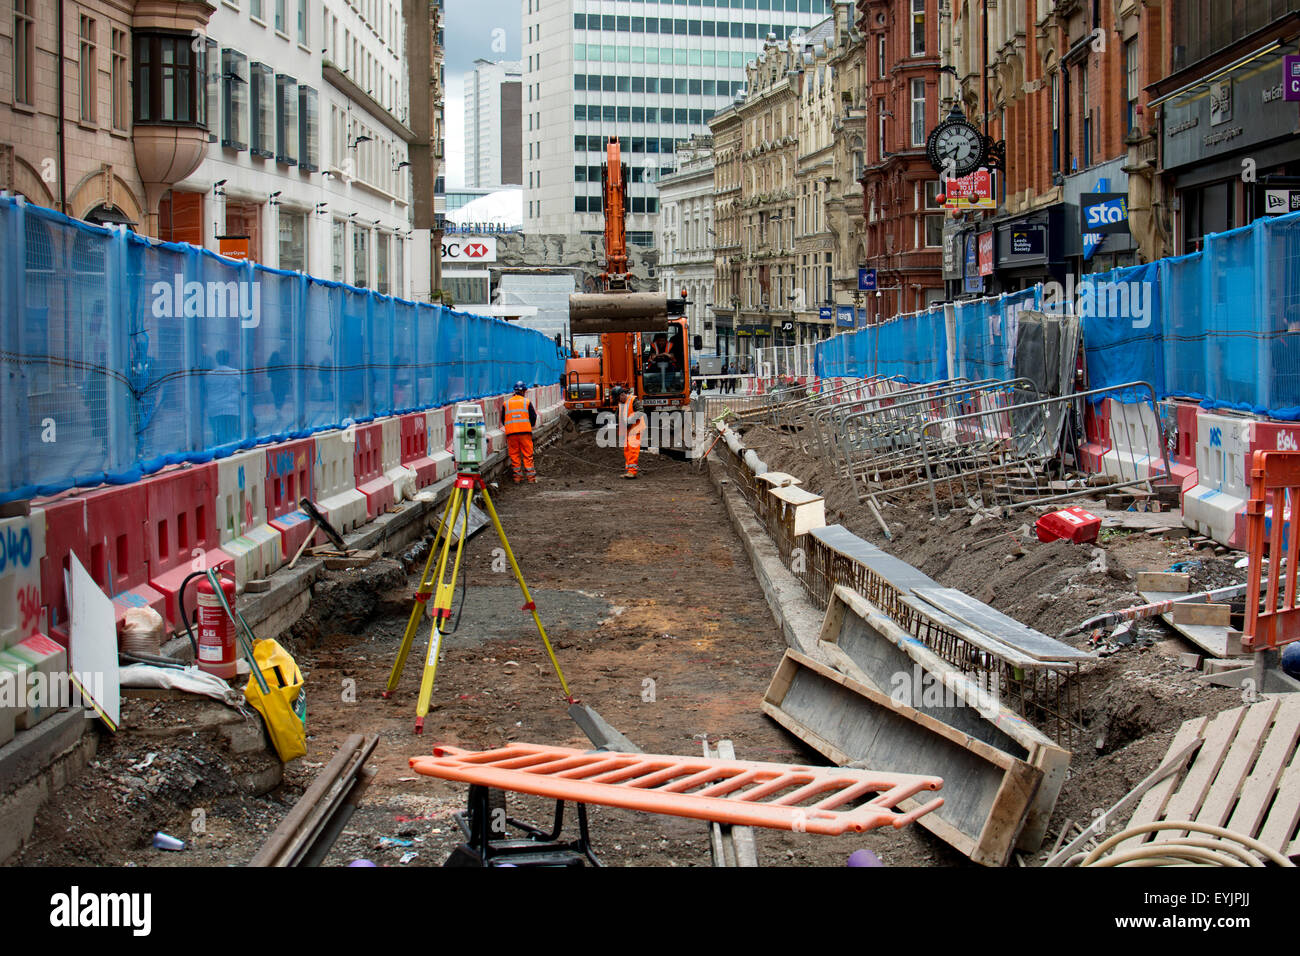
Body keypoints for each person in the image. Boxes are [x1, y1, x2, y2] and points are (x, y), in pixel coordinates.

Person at [501, 381, 538, 482]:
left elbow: (503, 420)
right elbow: (533, 416)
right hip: (525, 433)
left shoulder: (506, 403)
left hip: (511, 433)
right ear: (524, 391)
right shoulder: (526, 402)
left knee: (514, 455)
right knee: (527, 455)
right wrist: (531, 425)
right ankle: (531, 478)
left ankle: (517, 478)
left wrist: (511, 426)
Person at [617, 386, 644, 480]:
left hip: (635, 429)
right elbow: (619, 415)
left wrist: (630, 420)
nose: (618, 400)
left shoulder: (633, 400)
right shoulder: (621, 402)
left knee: (633, 450)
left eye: (618, 397)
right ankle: (629, 471)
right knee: (627, 450)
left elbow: (640, 412)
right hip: (627, 430)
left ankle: (632, 472)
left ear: (622, 395)